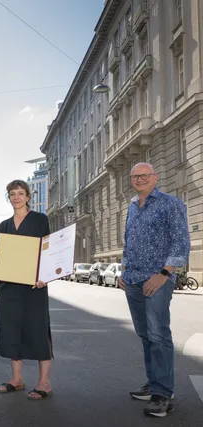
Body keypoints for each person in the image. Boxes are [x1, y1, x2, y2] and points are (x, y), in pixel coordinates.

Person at [118, 162, 190, 418]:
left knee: (159, 335)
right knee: (146, 335)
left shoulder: (170, 203)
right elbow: (129, 240)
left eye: (144, 176)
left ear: (155, 178)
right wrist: (123, 270)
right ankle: (153, 383)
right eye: (135, 176)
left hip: (157, 279)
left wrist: (163, 274)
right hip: (133, 279)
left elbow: (181, 243)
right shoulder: (132, 206)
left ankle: (163, 394)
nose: (138, 180)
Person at [0, 180, 53, 400]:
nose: (17, 197)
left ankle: (44, 383)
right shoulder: (4, 225)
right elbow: (6, 256)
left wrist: (45, 276)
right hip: (10, 287)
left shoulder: (40, 220)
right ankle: (17, 379)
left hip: (34, 286)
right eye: (12, 194)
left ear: (29, 196)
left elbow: (48, 250)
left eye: (21, 193)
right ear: (9, 198)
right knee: (11, 331)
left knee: (37, 330)